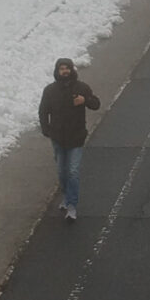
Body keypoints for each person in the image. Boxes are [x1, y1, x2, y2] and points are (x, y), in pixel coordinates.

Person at [38, 57, 103, 221]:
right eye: (61, 69)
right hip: (58, 138)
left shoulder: (82, 88)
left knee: (73, 171)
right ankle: (66, 196)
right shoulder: (50, 91)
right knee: (62, 171)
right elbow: (43, 111)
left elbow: (96, 104)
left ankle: (72, 205)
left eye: (67, 68)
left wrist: (85, 100)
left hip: (76, 137)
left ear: (72, 70)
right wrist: (46, 129)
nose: (65, 71)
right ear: (57, 71)